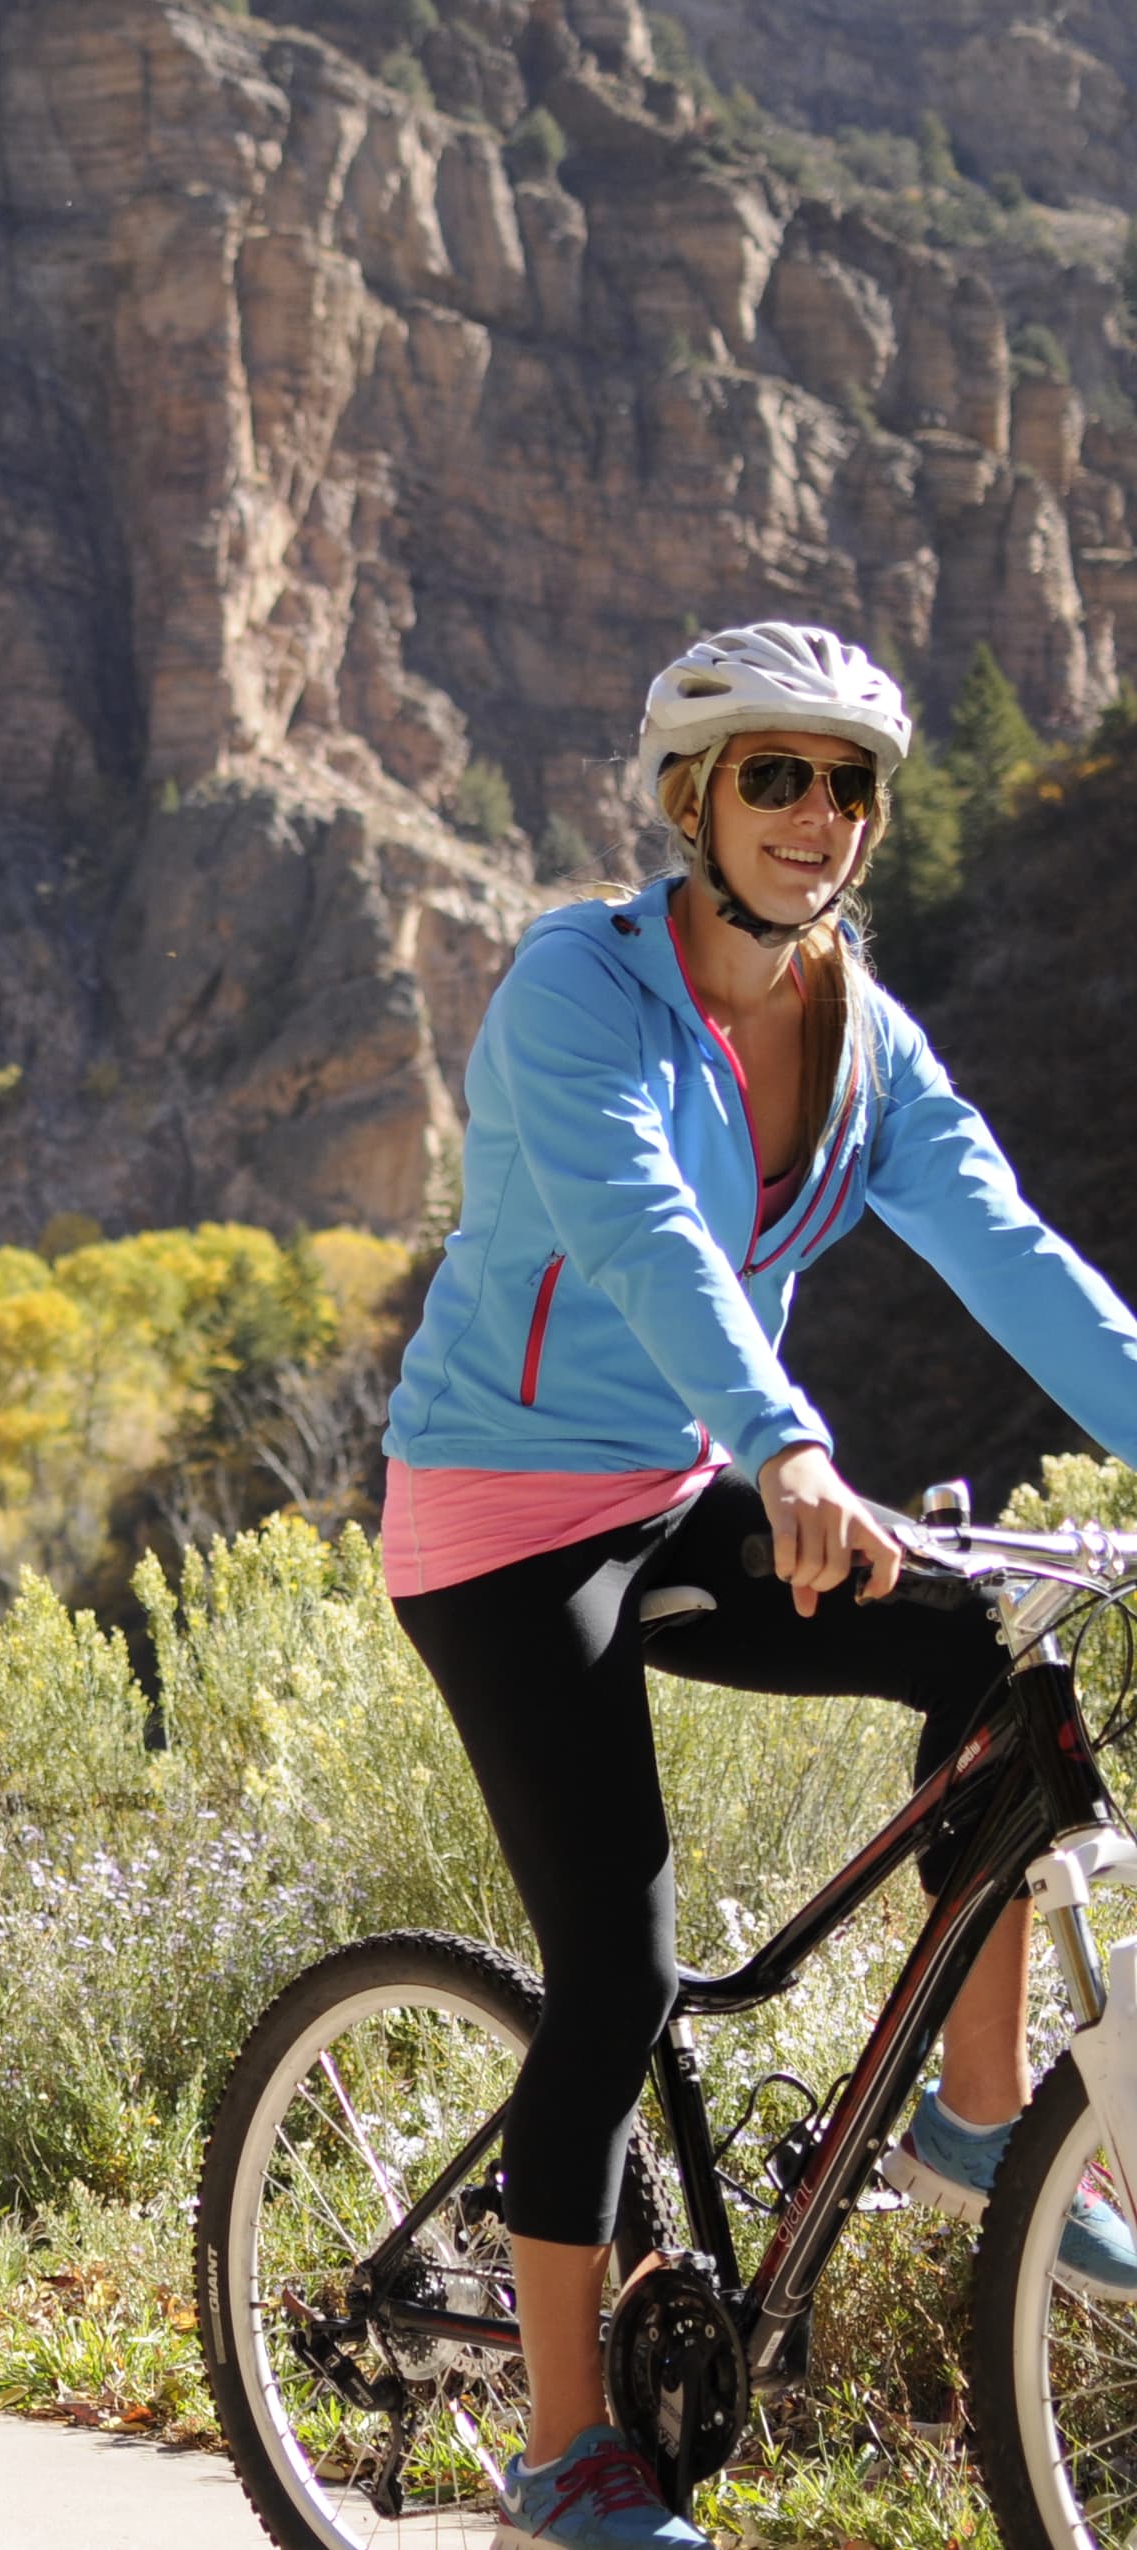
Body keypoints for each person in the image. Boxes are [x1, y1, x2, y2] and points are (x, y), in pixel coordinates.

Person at [379, 622, 1137, 2543]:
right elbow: (645, 1233)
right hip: (500, 1516)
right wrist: (788, 1446)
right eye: (775, 775)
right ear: (693, 800)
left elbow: (1012, 1250)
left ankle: (980, 2121)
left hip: (674, 1486)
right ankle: (567, 2456)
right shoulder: (578, 987)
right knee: (619, 1968)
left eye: (849, 781)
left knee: (980, 1657)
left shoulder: (863, 1038)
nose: (818, 812)